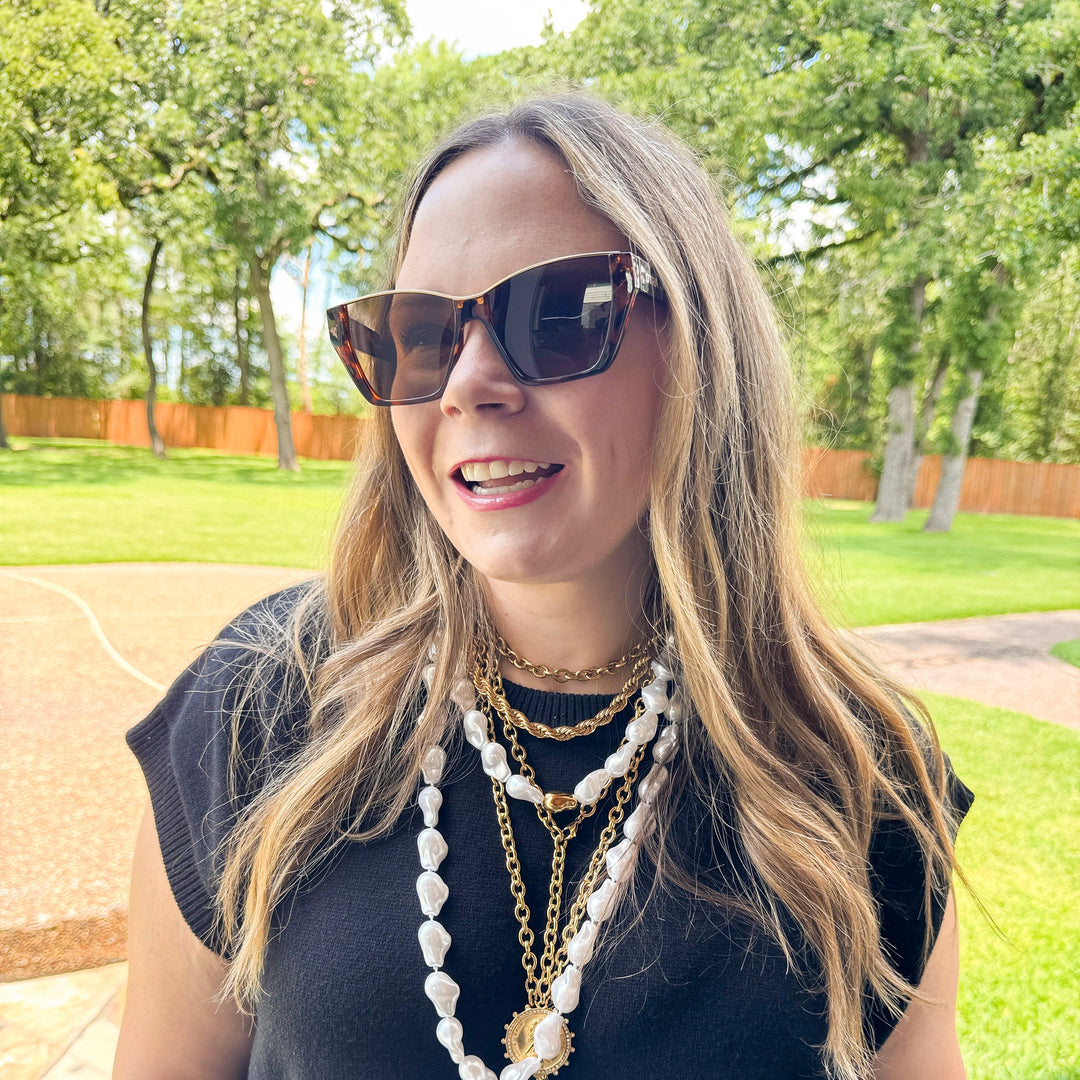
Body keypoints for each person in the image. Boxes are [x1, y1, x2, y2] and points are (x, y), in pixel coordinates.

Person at [114, 94, 972, 1080]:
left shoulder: (864, 780)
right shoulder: (255, 707)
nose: (469, 382)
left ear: (700, 348)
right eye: (418, 333)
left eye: (560, 314)